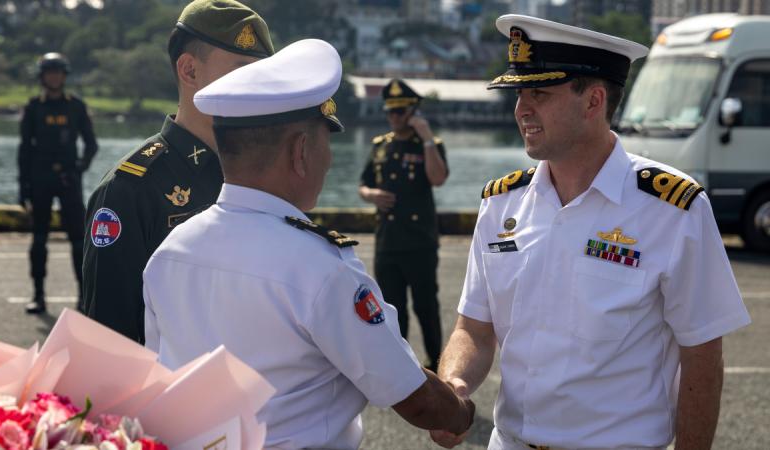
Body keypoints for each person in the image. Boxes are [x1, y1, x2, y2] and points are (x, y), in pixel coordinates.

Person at [432, 15, 752, 450]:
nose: (521, 108)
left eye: (539, 93)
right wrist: (454, 383)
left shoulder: (674, 209)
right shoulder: (500, 204)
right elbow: (474, 328)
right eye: (519, 93)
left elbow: (701, 357)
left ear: (594, 100)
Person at [143, 39, 474, 449]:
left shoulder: (171, 251)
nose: (329, 159)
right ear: (301, 151)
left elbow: (159, 375)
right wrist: (460, 412)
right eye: (325, 142)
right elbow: (411, 394)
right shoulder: (320, 266)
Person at [81, 0, 274, 342]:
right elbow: (109, 338)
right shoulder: (130, 190)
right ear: (189, 71)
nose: (254, 87)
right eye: (241, 70)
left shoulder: (266, 176)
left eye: (260, 74)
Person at [359, 78, 449, 371]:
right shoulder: (380, 146)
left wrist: (425, 137)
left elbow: (438, 178)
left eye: (400, 112)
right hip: (388, 241)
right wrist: (371, 194)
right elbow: (363, 184)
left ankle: (437, 365)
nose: (394, 117)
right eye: (390, 112)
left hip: (419, 241)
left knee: (426, 308)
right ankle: (401, 367)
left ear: (413, 112)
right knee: (392, 308)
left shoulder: (430, 145)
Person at [18, 52, 98, 314]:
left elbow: (91, 145)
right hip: (40, 179)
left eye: (58, 72)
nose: (54, 77)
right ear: (42, 77)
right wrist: (23, 186)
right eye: (49, 72)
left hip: (68, 179)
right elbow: (25, 149)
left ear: (64, 76)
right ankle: (38, 296)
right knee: (39, 238)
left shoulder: (75, 106)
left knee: (78, 240)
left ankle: (82, 298)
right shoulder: (33, 107)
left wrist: (79, 170)